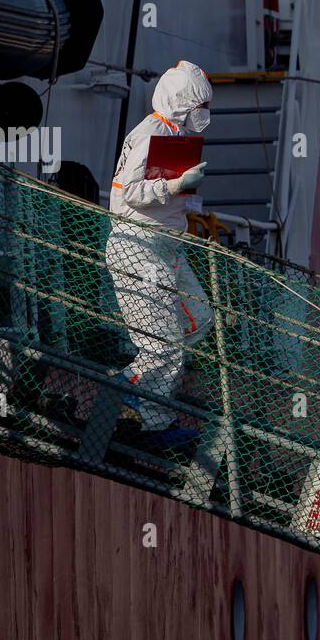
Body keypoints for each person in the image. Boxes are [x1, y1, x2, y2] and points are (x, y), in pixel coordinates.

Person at [107, 60, 215, 449]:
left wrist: (185, 198)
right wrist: (175, 186)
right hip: (138, 247)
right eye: (200, 106)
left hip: (167, 248)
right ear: (182, 102)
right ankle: (140, 400)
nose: (204, 115)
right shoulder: (152, 132)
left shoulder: (173, 133)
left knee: (199, 319)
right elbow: (127, 193)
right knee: (162, 345)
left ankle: (145, 389)